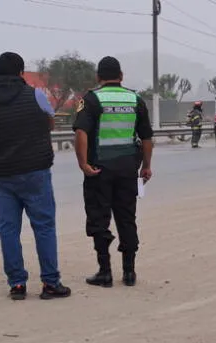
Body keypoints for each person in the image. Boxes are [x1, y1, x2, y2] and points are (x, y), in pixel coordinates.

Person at [0, 52, 71, 300]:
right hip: (34, 171)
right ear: (21, 73)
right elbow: (49, 122)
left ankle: (17, 283)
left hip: (2, 173)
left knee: (8, 229)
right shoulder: (35, 95)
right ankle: (50, 283)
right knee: (44, 227)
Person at [73, 56, 154, 288]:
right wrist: (146, 166)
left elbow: (81, 132)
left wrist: (83, 164)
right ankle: (129, 273)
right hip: (128, 170)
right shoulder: (135, 99)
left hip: (99, 170)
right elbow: (147, 136)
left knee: (99, 219)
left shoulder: (91, 99)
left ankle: (105, 272)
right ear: (121, 76)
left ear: (98, 77)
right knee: (127, 218)